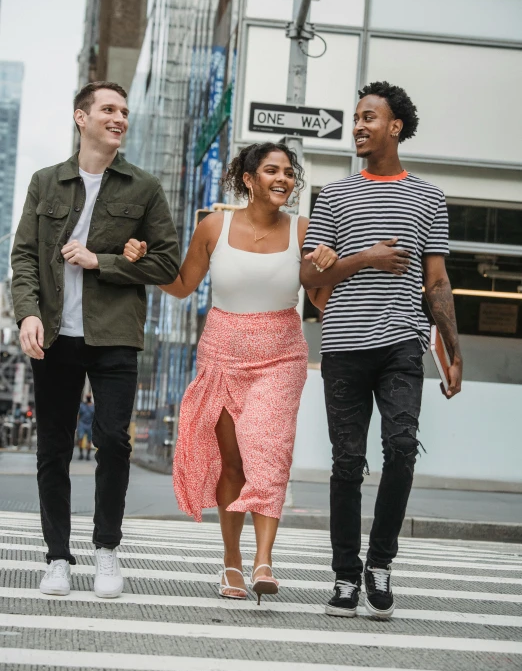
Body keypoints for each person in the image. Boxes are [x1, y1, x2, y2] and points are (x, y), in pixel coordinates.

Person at [124, 142, 336, 604]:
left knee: (270, 452)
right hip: (222, 354)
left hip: (281, 356)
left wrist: (329, 270)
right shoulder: (213, 227)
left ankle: (264, 561)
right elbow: (181, 287)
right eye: (271, 171)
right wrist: (141, 265)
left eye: (288, 173)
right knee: (234, 463)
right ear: (248, 178)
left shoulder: (302, 231)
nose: (283, 179)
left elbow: (320, 305)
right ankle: (232, 563)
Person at [11, 81, 180, 599]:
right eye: (108, 109)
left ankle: (107, 549)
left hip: (114, 337)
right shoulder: (46, 182)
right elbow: (22, 258)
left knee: (113, 441)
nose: (119, 117)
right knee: (54, 449)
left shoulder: (143, 188)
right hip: (56, 335)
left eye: (124, 111)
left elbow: (168, 263)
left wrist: (101, 261)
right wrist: (27, 316)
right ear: (81, 118)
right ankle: (57, 557)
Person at [301, 81, 463, 620]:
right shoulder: (335, 195)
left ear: (395, 126)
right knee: (347, 463)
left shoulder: (429, 197)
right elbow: (309, 276)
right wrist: (364, 258)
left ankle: (380, 563)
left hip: (402, 342)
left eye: (369, 117)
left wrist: (453, 347)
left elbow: (436, 282)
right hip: (345, 343)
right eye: (355, 118)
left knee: (401, 448)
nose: (358, 126)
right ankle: (346, 577)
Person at [77, 394, 94, 460]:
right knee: (80, 439)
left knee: (89, 441)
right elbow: (78, 415)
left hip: (90, 425)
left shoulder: (93, 406)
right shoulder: (82, 405)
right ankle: (81, 454)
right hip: (82, 424)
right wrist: (77, 425)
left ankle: (88, 455)